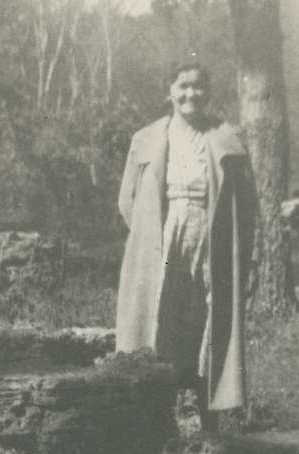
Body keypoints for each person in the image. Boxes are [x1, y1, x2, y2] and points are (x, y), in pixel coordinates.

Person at [115, 63, 258, 430]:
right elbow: (126, 201)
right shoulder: (146, 139)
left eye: (198, 87)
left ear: (208, 92)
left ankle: (210, 426)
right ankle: (157, 422)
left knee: (205, 324)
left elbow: (247, 207)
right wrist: (151, 238)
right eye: (182, 86)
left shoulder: (227, 138)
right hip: (163, 242)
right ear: (169, 90)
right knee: (160, 322)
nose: (190, 94)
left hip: (210, 240)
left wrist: (240, 254)